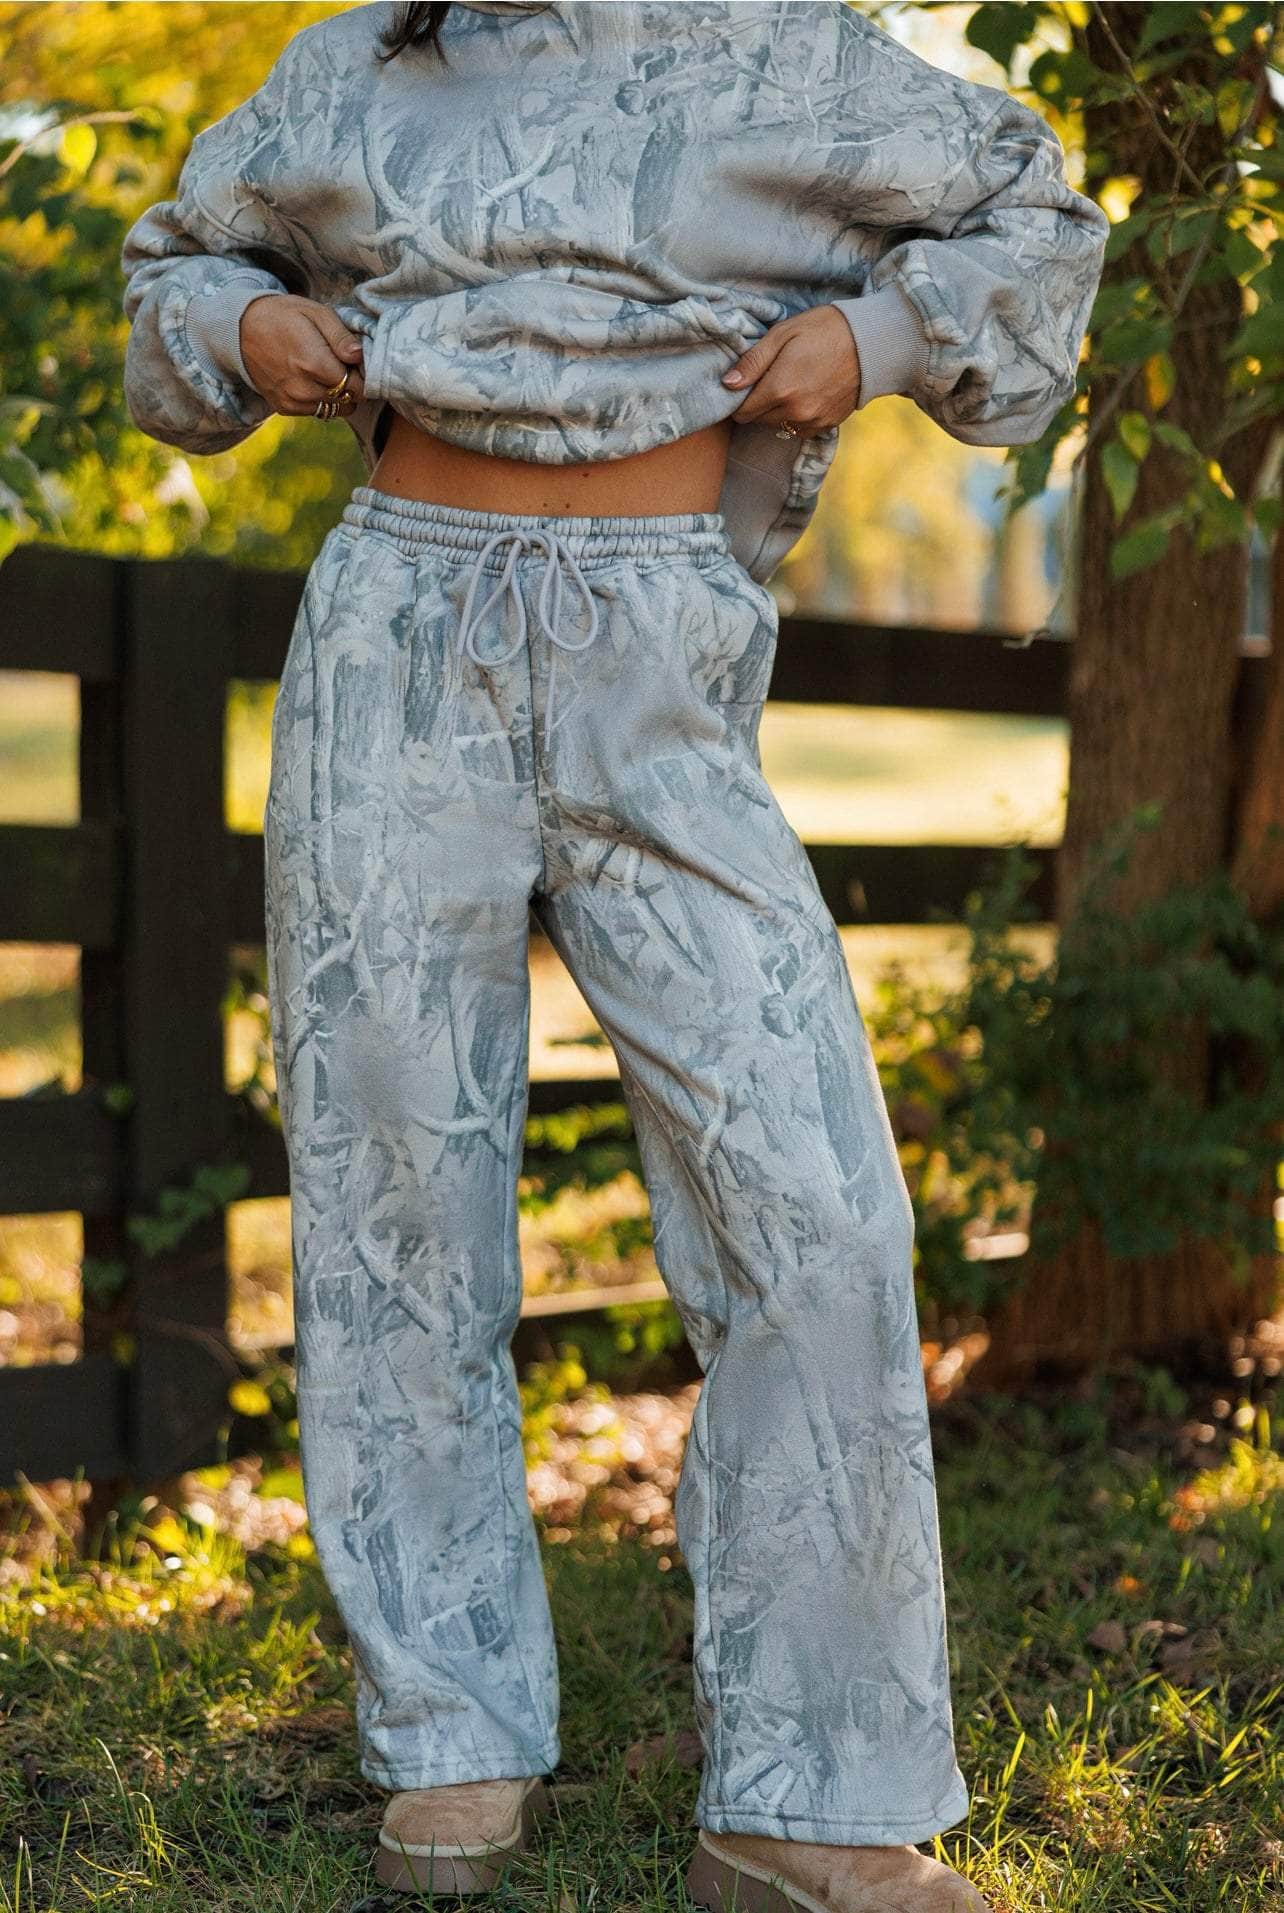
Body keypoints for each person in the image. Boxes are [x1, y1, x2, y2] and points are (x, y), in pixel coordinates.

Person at [119, 4, 1108, 1906]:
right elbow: (177, 266)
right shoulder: (361, 63)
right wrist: (240, 327)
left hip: (662, 649)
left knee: (815, 1201)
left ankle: (811, 1791)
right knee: (397, 1193)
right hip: (397, 638)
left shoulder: (785, 56)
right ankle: (451, 1738)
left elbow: (1037, 215)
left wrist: (879, 339)